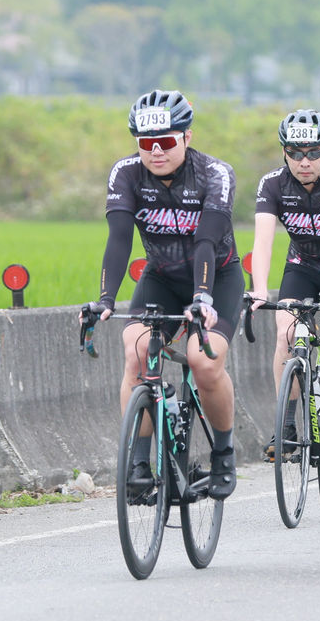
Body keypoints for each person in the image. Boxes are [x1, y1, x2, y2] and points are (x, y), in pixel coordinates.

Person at [88, 89, 243, 499]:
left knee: (204, 362)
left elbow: (207, 241)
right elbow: (119, 239)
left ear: (187, 137)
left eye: (166, 141)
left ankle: (223, 452)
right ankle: (139, 463)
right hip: (162, 277)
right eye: (146, 143)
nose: (156, 151)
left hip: (217, 277)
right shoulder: (126, 174)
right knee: (137, 351)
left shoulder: (215, 174)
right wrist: (105, 299)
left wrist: (203, 298)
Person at [248, 108, 320, 465]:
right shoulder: (272, 184)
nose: (305, 161)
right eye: (295, 153)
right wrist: (259, 289)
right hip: (302, 266)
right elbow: (263, 243)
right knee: (286, 332)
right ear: (284, 152)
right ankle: (285, 425)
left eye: (314, 152)